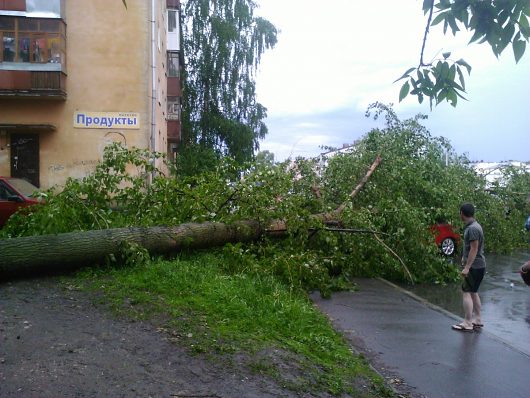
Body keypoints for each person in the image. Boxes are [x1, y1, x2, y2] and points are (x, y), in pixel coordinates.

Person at [452, 203, 486, 332]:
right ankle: (477, 319)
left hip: (475, 267)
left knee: (466, 292)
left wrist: (467, 267)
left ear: (462, 213)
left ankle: (467, 322)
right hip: (479, 265)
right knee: (473, 292)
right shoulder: (475, 226)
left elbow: (474, 249)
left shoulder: (472, 229)